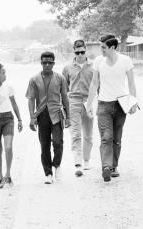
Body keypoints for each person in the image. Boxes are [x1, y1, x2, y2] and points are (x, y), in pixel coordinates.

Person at [86, 34, 137, 182]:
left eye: (103, 47)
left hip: (121, 104)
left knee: (117, 138)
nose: (101, 50)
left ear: (112, 47)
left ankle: (114, 166)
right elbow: (94, 84)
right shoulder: (98, 61)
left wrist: (133, 102)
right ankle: (106, 167)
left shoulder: (125, 61)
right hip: (103, 104)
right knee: (106, 137)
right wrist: (89, 104)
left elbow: (132, 83)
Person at [26, 51, 70, 184]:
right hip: (42, 115)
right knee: (44, 145)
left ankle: (57, 165)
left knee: (58, 142)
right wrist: (32, 117)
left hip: (56, 113)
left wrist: (68, 116)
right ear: (41, 63)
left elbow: (65, 98)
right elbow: (31, 99)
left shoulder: (60, 78)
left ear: (53, 63)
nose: (46, 65)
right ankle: (48, 173)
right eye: (44, 62)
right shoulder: (34, 79)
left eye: (49, 63)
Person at [62, 40, 94, 177]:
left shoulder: (93, 66)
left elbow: (98, 85)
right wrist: (63, 105)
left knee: (88, 135)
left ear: (85, 50)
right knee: (75, 134)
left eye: (82, 52)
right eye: (77, 52)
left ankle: (86, 160)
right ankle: (78, 164)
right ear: (73, 51)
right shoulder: (68, 67)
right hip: (73, 101)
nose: (80, 54)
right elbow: (63, 87)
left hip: (89, 101)